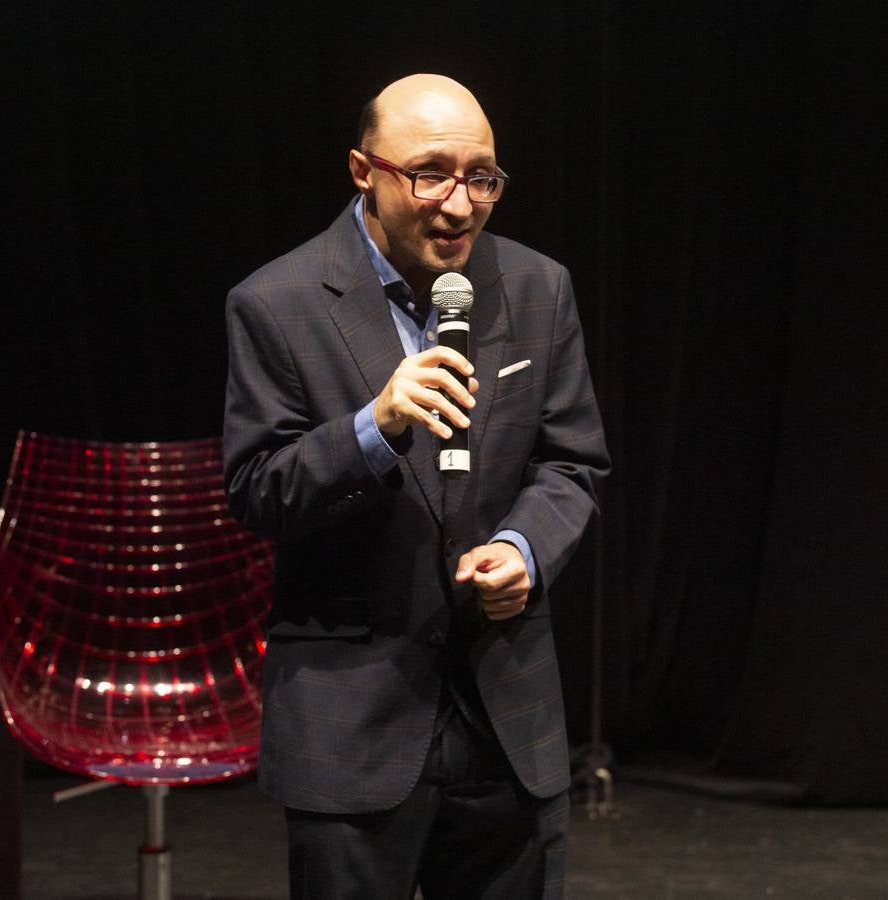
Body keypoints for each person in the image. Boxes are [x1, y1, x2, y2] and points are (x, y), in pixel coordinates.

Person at [222, 73, 609, 898]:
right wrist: (374, 428)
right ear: (364, 170)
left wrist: (524, 550)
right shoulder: (275, 302)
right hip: (352, 723)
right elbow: (257, 490)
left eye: (482, 177)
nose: (460, 204)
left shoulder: (538, 288)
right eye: (430, 173)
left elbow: (571, 462)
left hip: (508, 714)